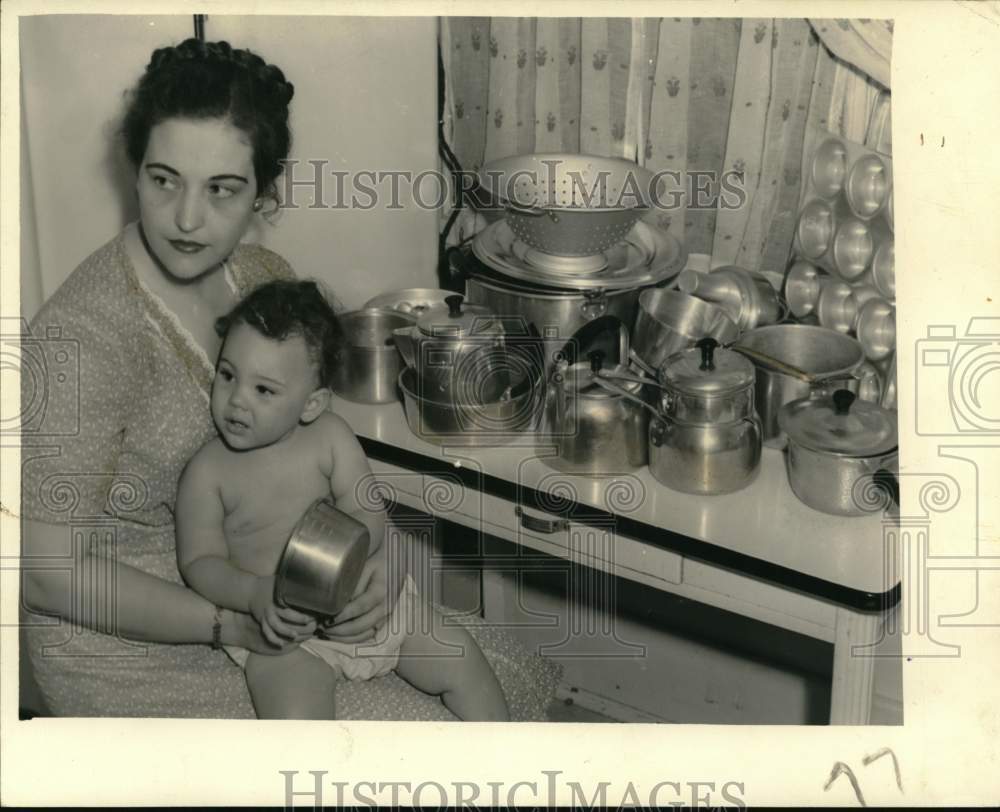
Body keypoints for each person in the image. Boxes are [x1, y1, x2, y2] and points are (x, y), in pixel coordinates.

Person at [18, 38, 401, 717]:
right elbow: (46, 575)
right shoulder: (82, 337)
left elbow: (319, 453)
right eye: (163, 180)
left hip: (268, 602)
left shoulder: (262, 280)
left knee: (463, 688)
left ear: (263, 193)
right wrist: (224, 622)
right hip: (130, 652)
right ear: (133, 170)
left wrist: (377, 566)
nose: (188, 219)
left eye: (223, 189)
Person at [176, 280, 509, 720]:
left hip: (364, 603)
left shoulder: (330, 436)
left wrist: (364, 561)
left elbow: (367, 507)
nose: (236, 400)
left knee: (463, 660)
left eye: (264, 390)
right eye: (227, 374)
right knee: (297, 722)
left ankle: (509, 761)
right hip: (286, 633)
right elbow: (199, 562)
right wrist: (253, 593)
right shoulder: (208, 471)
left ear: (311, 404)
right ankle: (318, 785)